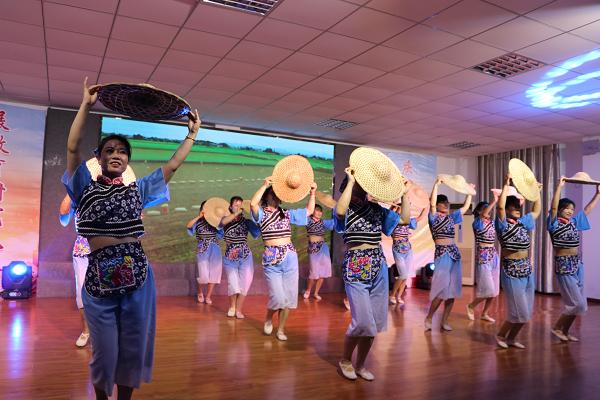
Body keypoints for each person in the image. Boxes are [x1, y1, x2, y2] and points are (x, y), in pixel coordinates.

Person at [63, 77, 200, 400]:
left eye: (122, 151)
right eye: (109, 150)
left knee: (131, 348)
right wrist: (85, 105)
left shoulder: (137, 191)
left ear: (127, 161)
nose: (116, 154)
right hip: (98, 279)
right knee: (105, 353)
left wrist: (192, 134)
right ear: (99, 157)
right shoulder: (84, 187)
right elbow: (71, 147)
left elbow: (173, 166)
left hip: (137, 277)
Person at [336, 168, 407, 381]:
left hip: (378, 265)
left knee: (374, 323)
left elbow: (403, 219)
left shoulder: (377, 209)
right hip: (356, 265)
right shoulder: (346, 208)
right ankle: (345, 360)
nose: (361, 187)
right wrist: (350, 180)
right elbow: (340, 210)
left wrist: (404, 193)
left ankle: (361, 364)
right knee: (362, 322)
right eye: (358, 184)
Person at [250, 178, 316, 341]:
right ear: (267, 196)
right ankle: (268, 318)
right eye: (274, 194)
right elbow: (252, 204)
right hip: (271, 258)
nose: (277, 197)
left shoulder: (286, 213)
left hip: (290, 256)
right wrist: (265, 185)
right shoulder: (261, 213)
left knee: (288, 298)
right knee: (277, 297)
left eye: (279, 195)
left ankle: (280, 329)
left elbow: (308, 211)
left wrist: (313, 193)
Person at [548, 176, 600, 342]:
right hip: (564, 265)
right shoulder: (554, 223)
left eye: (572, 209)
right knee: (577, 304)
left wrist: (598, 194)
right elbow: (553, 206)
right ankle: (557, 327)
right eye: (567, 208)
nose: (570, 211)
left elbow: (587, 210)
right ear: (561, 210)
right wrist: (559, 187)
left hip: (577, 264)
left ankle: (564, 330)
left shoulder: (573, 222)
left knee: (578, 305)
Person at [495, 173, 542, 349]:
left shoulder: (523, 222)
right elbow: (499, 208)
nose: (517, 209)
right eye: (513, 207)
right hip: (511, 271)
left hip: (526, 270)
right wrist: (505, 184)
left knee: (526, 312)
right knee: (518, 311)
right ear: (507, 209)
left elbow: (536, 211)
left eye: (517, 206)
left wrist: (536, 193)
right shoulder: (502, 224)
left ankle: (511, 338)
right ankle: (501, 334)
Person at [424, 178, 472, 331]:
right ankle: (429, 317)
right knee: (440, 290)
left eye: (447, 203)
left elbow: (465, 207)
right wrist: (436, 184)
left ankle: (444, 321)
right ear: (437, 205)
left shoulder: (452, 218)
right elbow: (431, 204)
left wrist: (469, 192)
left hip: (454, 254)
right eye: (442, 202)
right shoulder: (433, 217)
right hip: (442, 254)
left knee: (452, 292)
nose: (446, 204)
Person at [220, 196, 260, 319]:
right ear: (230, 207)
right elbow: (223, 223)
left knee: (245, 284)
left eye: (240, 205)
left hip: (245, 255)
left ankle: (239, 309)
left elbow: (257, 231)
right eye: (236, 205)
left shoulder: (246, 221)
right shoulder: (225, 219)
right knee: (233, 284)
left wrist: (257, 217)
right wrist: (236, 213)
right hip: (230, 256)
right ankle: (232, 306)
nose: (238, 207)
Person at [59, 194, 91, 347]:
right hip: (83, 250)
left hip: (107, 249)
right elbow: (63, 217)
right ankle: (86, 331)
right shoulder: (78, 197)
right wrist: (70, 189)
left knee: (110, 293)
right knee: (81, 293)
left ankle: (107, 332)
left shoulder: (110, 192)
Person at [466, 195, 500, 323]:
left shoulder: (491, 223)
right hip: (483, 256)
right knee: (488, 289)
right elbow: (484, 214)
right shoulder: (477, 222)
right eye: (485, 209)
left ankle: (484, 313)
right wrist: (494, 200)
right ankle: (471, 306)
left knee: (495, 290)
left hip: (493, 255)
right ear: (480, 212)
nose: (489, 211)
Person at [187, 201, 223, 305]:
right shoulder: (198, 222)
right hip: (202, 249)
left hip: (215, 249)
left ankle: (208, 296)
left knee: (214, 273)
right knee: (202, 274)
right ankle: (199, 292)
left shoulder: (215, 222)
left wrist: (217, 219)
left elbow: (221, 232)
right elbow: (189, 226)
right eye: (205, 208)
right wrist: (199, 217)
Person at [389, 204, 426, 305]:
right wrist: (395, 207)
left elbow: (419, 218)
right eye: (403, 209)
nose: (405, 212)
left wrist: (426, 207)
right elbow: (390, 213)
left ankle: (399, 296)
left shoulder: (407, 221)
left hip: (408, 250)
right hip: (398, 250)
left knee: (406, 276)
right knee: (403, 274)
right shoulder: (394, 220)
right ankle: (392, 295)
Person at [303, 204, 335, 301]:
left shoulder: (323, 222)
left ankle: (316, 293)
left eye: (320, 211)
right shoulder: (308, 220)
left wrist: (338, 210)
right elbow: (305, 213)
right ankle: (308, 290)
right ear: (313, 211)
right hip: (313, 248)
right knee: (313, 272)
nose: (319, 212)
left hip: (323, 248)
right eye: (317, 210)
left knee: (323, 272)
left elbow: (335, 223)